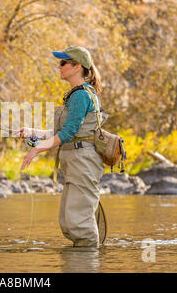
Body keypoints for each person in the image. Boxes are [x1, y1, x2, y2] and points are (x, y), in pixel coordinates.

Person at [20, 45, 107, 248]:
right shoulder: (78, 94)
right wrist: (34, 132)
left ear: (77, 67)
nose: (59, 67)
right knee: (69, 222)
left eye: (62, 63)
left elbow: (67, 134)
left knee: (79, 224)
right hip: (77, 163)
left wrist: (36, 149)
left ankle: (88, 263)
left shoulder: (81, 95)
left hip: (83, 163)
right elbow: (67, 132)